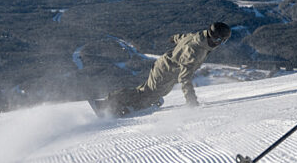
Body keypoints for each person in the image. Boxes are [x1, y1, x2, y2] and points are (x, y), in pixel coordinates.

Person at [97, 22, 232, 116]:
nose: (220, 44)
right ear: (216, 38)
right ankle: (108, 104)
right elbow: (184, 78)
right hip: (165, 72)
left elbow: (183, 37)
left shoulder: (198, 37)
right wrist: (191, 101)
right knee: (147, 95)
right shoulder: (196, 52)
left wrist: (174, 38)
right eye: (221, 41)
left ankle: (125, 104)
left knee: (148, 93)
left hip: (166, 68)